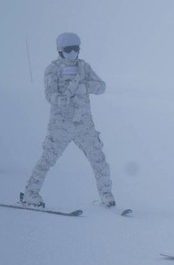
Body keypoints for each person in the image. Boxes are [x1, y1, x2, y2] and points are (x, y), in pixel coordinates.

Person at [20, 32, 115, 208]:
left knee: (98, 158)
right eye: (69, 49)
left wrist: (85, 86)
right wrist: (59, 99)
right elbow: (49, 93)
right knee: (47, 159)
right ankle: (30, 193)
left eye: (76, 49)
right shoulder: (53, 69)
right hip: (61, 125)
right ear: (60, 51)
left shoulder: (84, 68)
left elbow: (101, 87)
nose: (73, 53)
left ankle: (106, 195)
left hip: (84, 124)